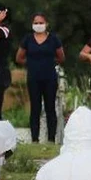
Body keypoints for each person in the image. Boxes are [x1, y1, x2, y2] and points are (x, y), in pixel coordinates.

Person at [16, 13, 64, 143]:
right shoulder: (28, 39)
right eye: (36, 23)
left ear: (46, 24)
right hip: (33, 78)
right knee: (35, 108)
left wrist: (50, 62)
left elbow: (61, 57)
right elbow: (19, 57)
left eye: (41, 22)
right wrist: (30, 63)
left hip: (50, 77)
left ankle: (51, 139)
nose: (38, 25)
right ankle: (35, 139)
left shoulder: (53, 39)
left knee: (50, 108)